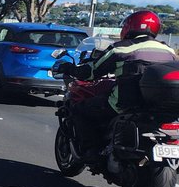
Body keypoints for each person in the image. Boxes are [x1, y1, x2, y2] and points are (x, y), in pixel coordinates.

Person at [57, 10, 177, 162]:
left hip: (125, 104)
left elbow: (91, 73)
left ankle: (91, 151)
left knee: (80, 109)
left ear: (129, 27)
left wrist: (69, 68)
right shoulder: (169, 50)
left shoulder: (121, 48)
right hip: (160, 106)